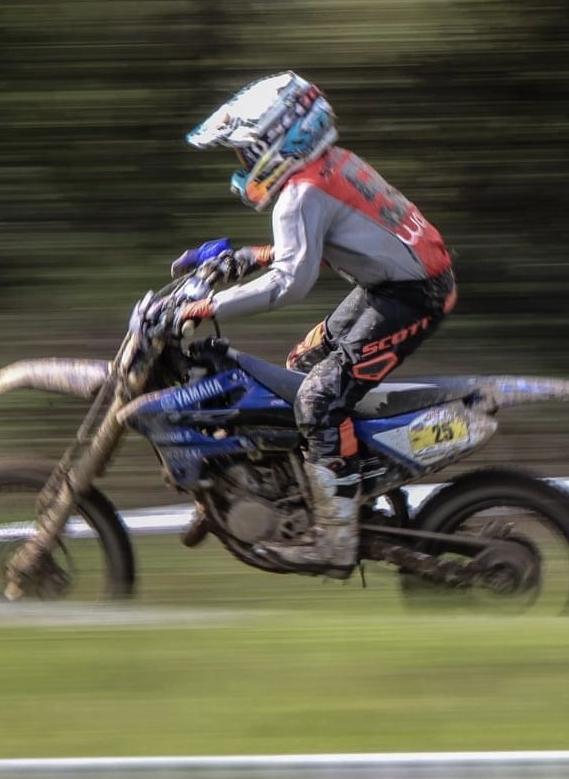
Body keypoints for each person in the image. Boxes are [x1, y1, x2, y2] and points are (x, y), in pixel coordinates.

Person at [172, 72, 456, 572]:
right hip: (394, 285)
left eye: (244, 152)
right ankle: (299, 487)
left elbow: (291, 282)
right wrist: (243, 258)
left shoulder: (301, 192)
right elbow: (320, 248)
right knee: (302, 366)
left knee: (318, 399)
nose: (241, 166)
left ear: (278, 140)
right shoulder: (330, 165)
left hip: (410, 296)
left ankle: (338, 532)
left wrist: (208, 308)